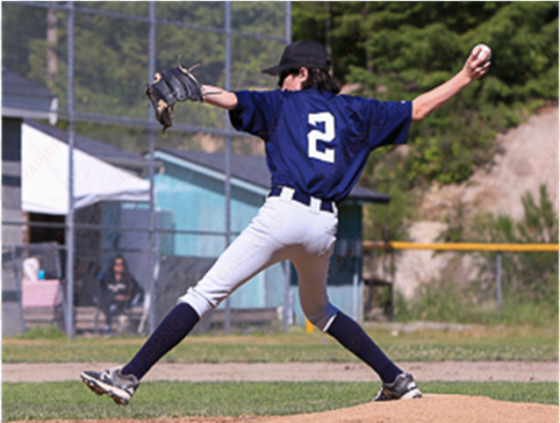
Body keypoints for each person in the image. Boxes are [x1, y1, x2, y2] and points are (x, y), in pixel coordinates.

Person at [81, 40, 490, 405]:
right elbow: (417, 109)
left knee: (204, 294)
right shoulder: (357, 110)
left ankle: (128, 376)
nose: (281, 84)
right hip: (323, 227)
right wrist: (465, 75)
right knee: (319, 311)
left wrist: (195, 91)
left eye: (285, 76)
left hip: (283, 215)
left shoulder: (282, 104)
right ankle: (396, 380)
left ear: (304, 74)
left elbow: (231, 99)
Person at [98, 255, 144, 333]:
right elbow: (102, 292)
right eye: (116, 264)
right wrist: (113, 297)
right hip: (108, 303)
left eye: (121, 264)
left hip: (124, 304)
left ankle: (117, 324)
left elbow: (138, 291)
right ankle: (109, 324)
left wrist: (127, 297)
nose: (118, 267)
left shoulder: (128, 279)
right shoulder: (108, 279)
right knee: (108, 301)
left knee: (119, 305)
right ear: (113, 266)